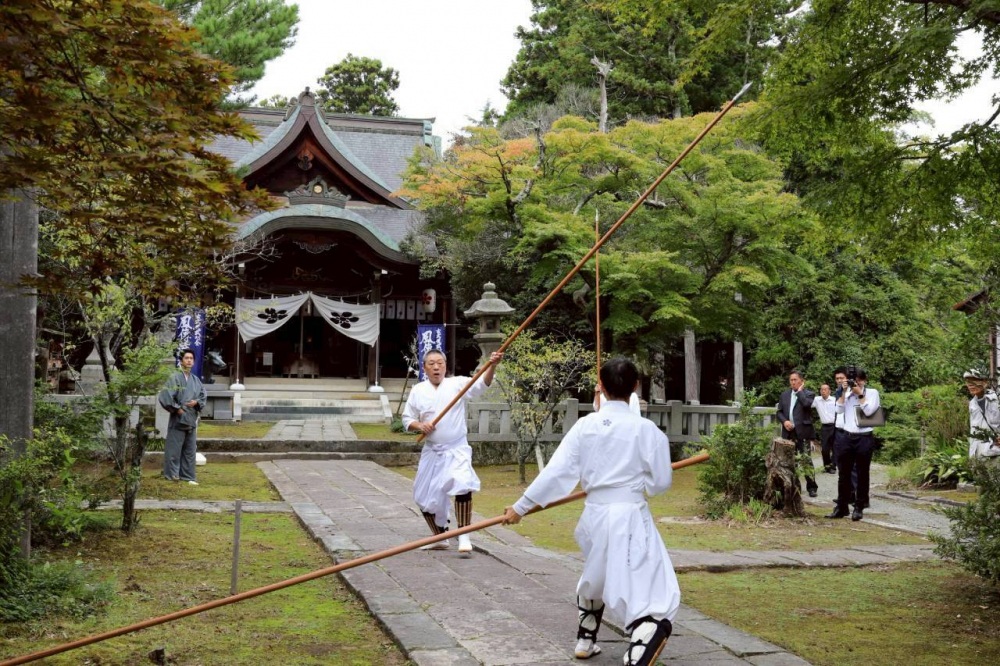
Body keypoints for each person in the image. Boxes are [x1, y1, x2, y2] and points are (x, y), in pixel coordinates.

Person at [502, 358, 678, 665]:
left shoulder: (585, 426)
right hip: (630, 514)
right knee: (648, 578)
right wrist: (643, 484)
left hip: (595, 514)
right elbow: (661, 482)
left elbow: (557, 472)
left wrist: (522, 506)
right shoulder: (647, 430)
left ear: (602, 386)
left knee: (597, 571)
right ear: (636, 386)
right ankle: (643, 639)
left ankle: (586, 638)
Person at [403, 349, 502, 556]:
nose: (436, 367)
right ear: (424, 368)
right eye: (431, 363)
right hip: (432, 451)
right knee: (422, 495)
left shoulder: (457, 384)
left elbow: (482, 384)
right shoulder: (418, 390)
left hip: (456, 448)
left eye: (440, 363)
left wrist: (492, 365)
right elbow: (406, 419)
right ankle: (440, 537)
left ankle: (464, 534)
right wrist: (419, 425)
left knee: (462, 483)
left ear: (446, 365)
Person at [827, 366, 880, 521]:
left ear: (863, 380)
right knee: (844, 474)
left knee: (863, 474)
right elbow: (838, 410)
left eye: (857, 381)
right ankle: (841, 506)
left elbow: (869, 411)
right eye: (852, 381)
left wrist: (860, 394)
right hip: (847, 437)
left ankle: (859, 506)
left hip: (864, 437)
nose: (854, 384)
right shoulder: (847, 392)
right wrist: (844, 393)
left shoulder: (872, 393)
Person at [158, 348, 206, 485]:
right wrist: (177, 409)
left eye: (191, 358)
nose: (189, 360)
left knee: (190, 450)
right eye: (186, 358)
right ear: (181, 361)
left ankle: (188, 476)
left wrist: (196, 402)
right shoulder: (174, 377)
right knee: (174, 449)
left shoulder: (196, 380)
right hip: (178, 418)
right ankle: (172, 474)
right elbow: (165, 396)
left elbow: (203, 397)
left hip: (191, 418)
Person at [775, 370, 818, 497]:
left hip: (803, 432)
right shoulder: (784, 395)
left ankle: (812, 486)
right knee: (789, 460)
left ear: (801, 381)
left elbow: (806, 404)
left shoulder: (809, 394)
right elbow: (779, 412)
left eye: (795, 380)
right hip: (789, 432)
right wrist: (785, 421)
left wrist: (799, 392)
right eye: (791, 380)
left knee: (805, 460)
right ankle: (793, 485)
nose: (792, 382)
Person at [963, 369, 1000, 459]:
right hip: (978, 455)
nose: (971, 385)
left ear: (985, 382)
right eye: (968, 382)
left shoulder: (996, 399)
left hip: (995, 454)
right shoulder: (972, 403)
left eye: (974, 380)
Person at [813, 383, 838, 473]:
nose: (823, 391)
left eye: (825, 389)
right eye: (821, 389)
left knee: (835, 448)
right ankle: (826, 466)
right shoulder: (817, 400)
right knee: (824, 449)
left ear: (829, 391)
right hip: (824, 427)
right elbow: (806, 404)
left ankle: (833, 467)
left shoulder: (834, 400)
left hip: (834, 426)